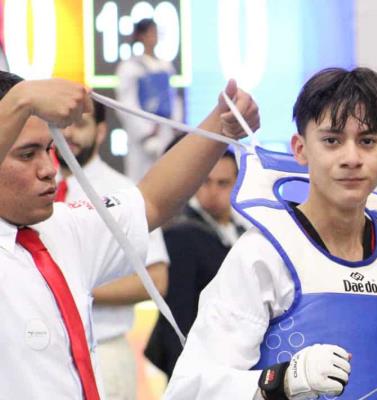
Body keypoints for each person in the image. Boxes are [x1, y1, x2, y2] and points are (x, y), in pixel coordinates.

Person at [165, 67, 377, 400]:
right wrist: (280, 381)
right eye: (332, 140)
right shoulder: (263, 255)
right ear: (300, 149)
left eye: (367, 141)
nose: (351, 158)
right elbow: (189, 389)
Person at [0, 71, 258, 399]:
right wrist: (22, 98)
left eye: (48, 149)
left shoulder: (63, 228)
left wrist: (219, 125)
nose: (49, 167)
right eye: (26, 154)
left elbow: (151, 199)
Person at [58, 100, 171, 400]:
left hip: (103, 351)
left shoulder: (122, 191)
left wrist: (72, 289)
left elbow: (156, 279)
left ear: (101, 131)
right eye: (61, 123)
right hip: (42, 354)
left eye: (80, 124)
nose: (68, 133)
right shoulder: (29, 186)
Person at [144, 150, 245, 377]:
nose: (212, 191)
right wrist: (182, 375)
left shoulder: (242, 230)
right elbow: (178, 314)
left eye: (223, 183)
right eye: (205, 182)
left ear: (237, 183)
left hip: (233, 357)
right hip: (195, 363)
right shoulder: (182, 234)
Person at [115, 18, 184, 182]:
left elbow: (173, 99)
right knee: (142, 179)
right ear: (140, 36)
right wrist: (146, 132)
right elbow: (127, 103)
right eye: (149, 33)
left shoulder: (165, 66)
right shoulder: (130, 67)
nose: (153, 37)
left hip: (166, 130)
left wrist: (176, 125)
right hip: (144, 134)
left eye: (155, 33)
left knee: (168, 178)